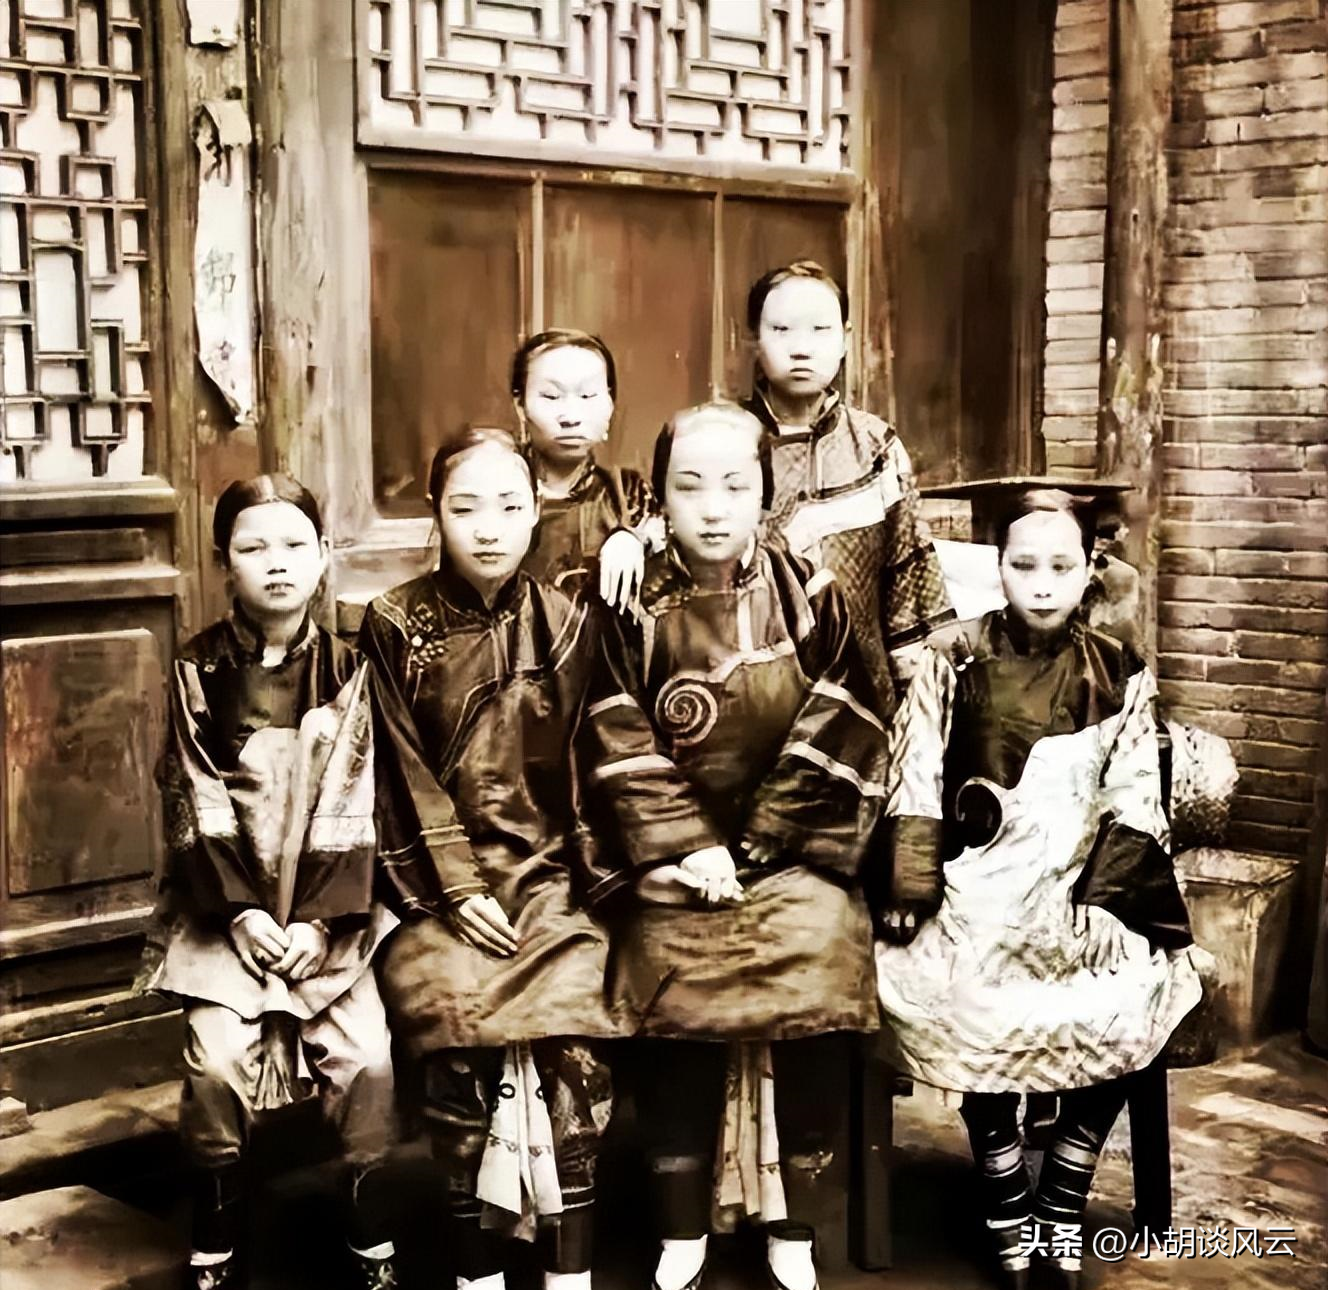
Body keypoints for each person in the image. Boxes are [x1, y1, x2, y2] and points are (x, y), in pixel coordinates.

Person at [581, 403, 886, 1290]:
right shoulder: (626, 601)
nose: (712, 507)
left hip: (791, 850)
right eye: (689, 486)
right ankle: (681, 1223)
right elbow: (610, 726)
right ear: (658, 497)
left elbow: (852, 710)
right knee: (667, 973)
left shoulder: (810, 591)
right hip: (670, 862)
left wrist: (764, 838)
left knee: (825, 963)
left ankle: (795, 1224)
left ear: (765, 493)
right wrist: (680, 846)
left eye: (734, 485)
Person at [874, 482, 1206, 1290]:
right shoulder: (951, 657)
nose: (1044, 583)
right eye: (1025, 565)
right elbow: (916, 773)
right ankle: (1004, 1194)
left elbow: (1135, 793)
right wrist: (913, 888)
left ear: (1090, 569)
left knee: (1138, 988)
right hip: (976, 884)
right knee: (958, 987)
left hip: (1082, 881)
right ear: (1000, 567)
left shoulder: (1120, 670)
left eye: (1062, 565)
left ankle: (1061, 1193)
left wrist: (1107, 899)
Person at [359, 427, 623, 1290]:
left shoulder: (570, 623)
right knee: (458, 1036)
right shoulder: (391, 624)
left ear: (536, 509)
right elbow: (394, 775)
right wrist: (456, 887)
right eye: (465, 506)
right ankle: (477, 1273)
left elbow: (594, 764)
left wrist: (589, 881)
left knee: (574, 1042)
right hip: (431, 891)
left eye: (510, 505)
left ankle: (569, 1273)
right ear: (435, 513)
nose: (488, 526)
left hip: (548, 878)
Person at [140, 474, 399, 1290]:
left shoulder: (351, 666)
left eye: (294, 545)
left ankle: (369, 1221)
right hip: (228, 913)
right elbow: (193, 794)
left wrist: (319, 920)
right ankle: (216, 1225)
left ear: (323, 556)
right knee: (215, 1062)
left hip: (328, 913)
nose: (277, 563)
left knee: (367, 1059)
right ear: (225, 563)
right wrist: (243, 914)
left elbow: (355, 790)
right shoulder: (196, 667)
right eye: (253, 548)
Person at [511, 328, 659, 609]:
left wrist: (632, 538)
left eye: (588, 396)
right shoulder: (497, 485)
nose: (570, 417)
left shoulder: (627, 494)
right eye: (551, 396)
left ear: (610, 403)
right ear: (520, 405)